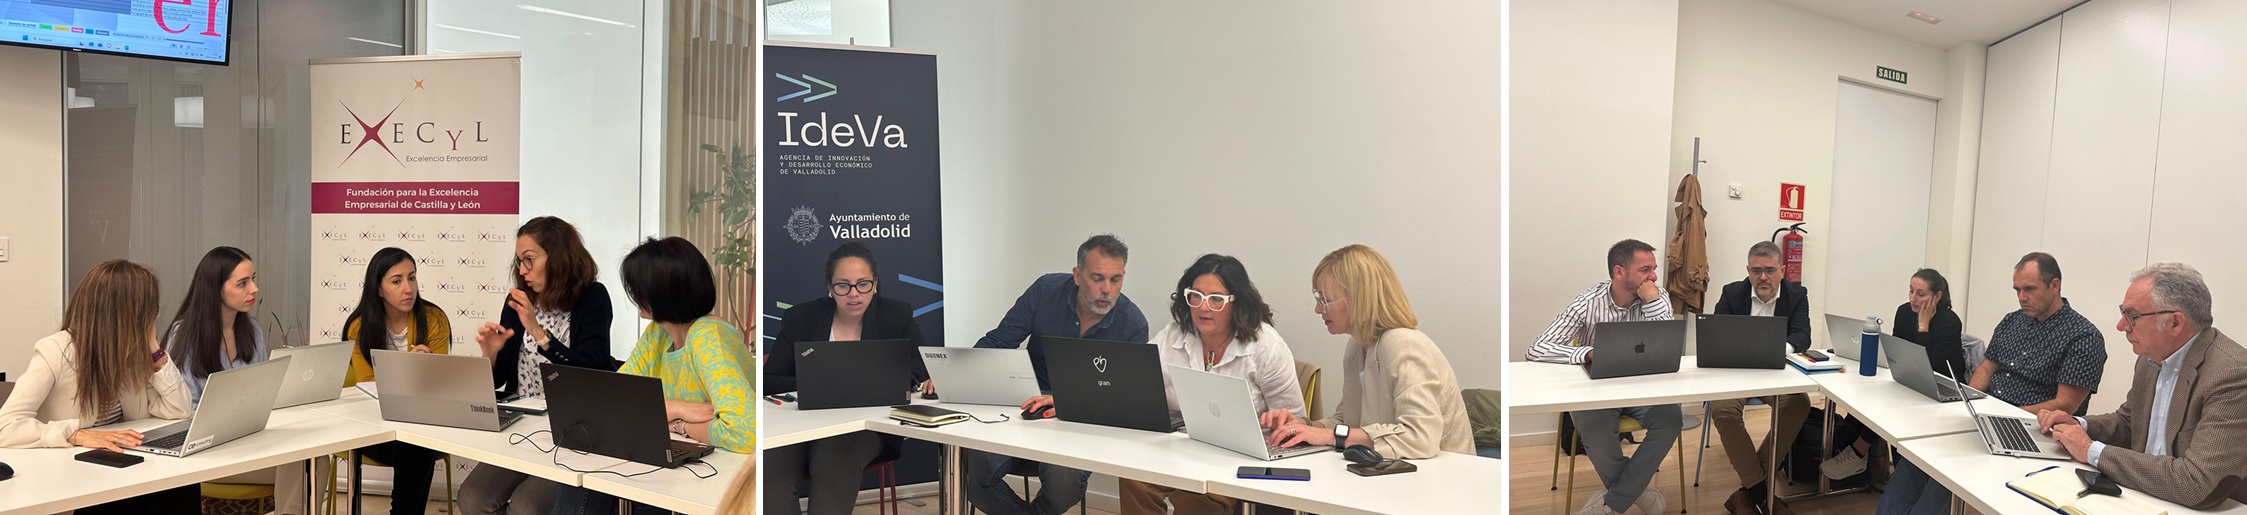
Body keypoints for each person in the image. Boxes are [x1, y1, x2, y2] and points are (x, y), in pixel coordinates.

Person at [550, 237, 755, 514]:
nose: (634, 294)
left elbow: (745, 431)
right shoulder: (658, 333)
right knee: (586, 473)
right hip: (677, 468)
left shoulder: (709, 336)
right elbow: (613, 399)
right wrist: (674, 409)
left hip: (715, 481)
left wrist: (677, 425)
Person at [964, 234, 1150, 515]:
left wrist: (1067, 402)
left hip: (1083, 424)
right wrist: (957, 373)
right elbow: (1000, 341)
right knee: (974, 472)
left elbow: (1123, 397)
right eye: (1097, 278)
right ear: (1077, 275)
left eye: (1116, 279)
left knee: (1064, 483)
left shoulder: (1133, 324)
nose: (1107, 290)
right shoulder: (1045, 291)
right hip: (1025, 411)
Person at [2038, 263, 2247, 509]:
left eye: (2132, 316)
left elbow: (2197, 483)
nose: (2121, 325)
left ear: (2175, 323)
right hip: (2141, 493)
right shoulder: (2150, 360)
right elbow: (2129, 423)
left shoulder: (2232, 375)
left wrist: (2092, 451)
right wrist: (2079, 425)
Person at [0, 260, 196, 513]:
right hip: (73, 476)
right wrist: (75, 434)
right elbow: (6, 426)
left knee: (181, 485)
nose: (156, 316)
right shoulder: (56, 351)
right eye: (149, 310)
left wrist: (154, 349)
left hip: (121, 467)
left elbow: (179, 409)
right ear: (125, 312)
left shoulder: (133, 352)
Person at [1120, 254, 1304, 515]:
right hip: (1181, 446)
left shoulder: (1267, 347)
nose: (1203, 307)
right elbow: (1133, 384)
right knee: (1133, 479)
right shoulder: (1173, 334)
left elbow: (1296, 421)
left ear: (1237, 303)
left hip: (1239, 456)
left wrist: (1280, 422)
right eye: (1195, 296)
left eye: (1216, 299)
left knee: (1194, 497)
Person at [462, 217, 614, 515]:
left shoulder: (592, 297)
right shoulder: (518, 301)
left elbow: (594, 370)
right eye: (519, 261)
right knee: (472, 498)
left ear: (558, 257)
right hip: (522, 425)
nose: (522, 270)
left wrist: (539, 334)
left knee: (528, 506)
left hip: (573, 432)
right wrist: (490, 356)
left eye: (529, 260)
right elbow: (500, 378)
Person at [765, 242, 929, 515]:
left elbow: (920, 367)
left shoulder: (896, 314)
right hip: (800, 423)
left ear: (875, 284)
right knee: (770, 472)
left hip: (862, 426)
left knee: (834, 462)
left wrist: (874, 381)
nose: (854, 293)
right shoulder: (801, 318)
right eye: (843, 285)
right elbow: (769, 379)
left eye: (863, 284)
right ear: (830, 287)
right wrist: (819, 384)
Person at [1524, 239, 1680, 515]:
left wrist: (1652, 302)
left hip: (1643, 388)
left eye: (1654, 269)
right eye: (1645, 270)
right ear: (1619, 272)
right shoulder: (1588, 302)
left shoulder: (1657, 297)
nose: (1654, 277)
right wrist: (1587, 353)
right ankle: (1639, 495)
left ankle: (1611, 505)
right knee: (1595, 430)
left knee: (1671, 419)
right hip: (1596, 389)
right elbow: (1537, 349)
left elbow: (1668, 346)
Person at [1268, 243, 1470, 456]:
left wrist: (1329, 436)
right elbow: (1347, 422)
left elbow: (1419, 438)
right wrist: (1302, 428)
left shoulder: (1405, 345)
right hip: (1393, 468)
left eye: (1326, 300)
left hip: (1444, 471)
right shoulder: (1357, 347)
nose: (1318, 309)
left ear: (1358, 298)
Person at [164, 247, 320, 515]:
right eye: (242, 283)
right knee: (302, 464)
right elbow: (185, 410)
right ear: (216, 289)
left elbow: (262, 394)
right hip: (208, 451)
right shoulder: (185, 334)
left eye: (253, 279)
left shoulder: (252, 329)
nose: (254, 289)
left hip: (250, 441)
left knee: (315, 459)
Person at [1707, 241, 1812, 515]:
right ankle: (1762, 493)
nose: (1763, 277)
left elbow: (1802, 335)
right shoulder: (1732, 292)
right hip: (1735, 371)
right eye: (1756, 270)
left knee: (1799, 403)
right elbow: (1717, 332)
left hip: (1775, 371)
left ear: (1782, 271)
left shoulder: (1797, 295)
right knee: (1723, 409)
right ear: (1748, 270)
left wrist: (1778, 350)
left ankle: (1748, 492)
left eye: (1770, 270)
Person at [343, 247, 449, 514]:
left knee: (417, 441)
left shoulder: (433, 319)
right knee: (417, 445)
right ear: (378, 289)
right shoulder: (359, 326)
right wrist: (406, 371)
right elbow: (367, 385)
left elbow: (439, 388)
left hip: (420, 425)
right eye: (396, 281)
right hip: (373, 427)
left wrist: (426, 369)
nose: (408, 288)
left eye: (412, 277)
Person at [1968, 252, 2105, 415]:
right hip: (1990, 410)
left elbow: (2066, 405)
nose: (2021, 297)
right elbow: (1985, 370)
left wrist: (2007, 415)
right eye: (2017, 290)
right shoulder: (2011, 320)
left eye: (2029, 289)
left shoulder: (2083, 337)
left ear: (2054, 286)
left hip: (2034, 422)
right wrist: (1968, 401)